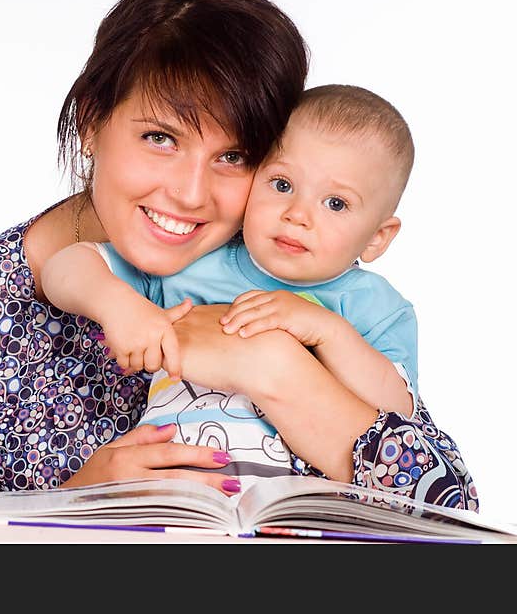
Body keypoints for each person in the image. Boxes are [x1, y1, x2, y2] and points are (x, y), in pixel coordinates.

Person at [0, 0, 477, 510]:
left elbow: (450, 508)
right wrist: (74, 501)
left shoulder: (281, 269)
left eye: (234, 155)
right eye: (160, 137)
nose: (191, 194)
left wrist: (278, 371)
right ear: (91, 120)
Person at [42, 84, 421, 493]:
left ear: (377, 238)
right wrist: (115, 304)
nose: (297, 214)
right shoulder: (196, 263)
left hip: (298, 512)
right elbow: (66, 266)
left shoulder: (376, 306)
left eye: (335, 204)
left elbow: (399, 414)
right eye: (281, 184)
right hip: (172, 491)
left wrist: (328, 332)